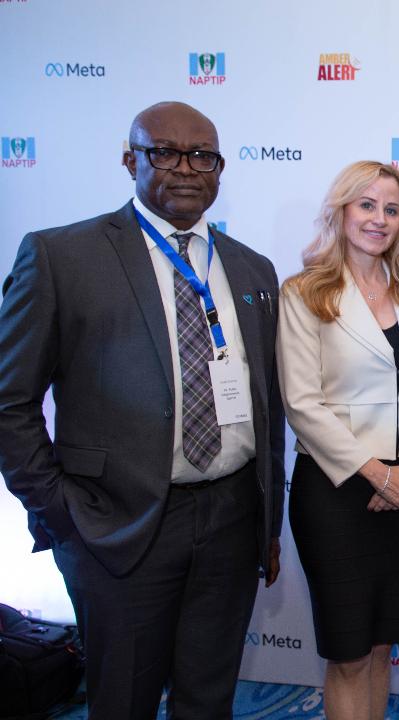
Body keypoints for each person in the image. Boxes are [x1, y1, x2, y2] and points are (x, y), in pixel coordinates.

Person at [0, 101, 285, 719]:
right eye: (164, 152)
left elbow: (268, 402)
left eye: (203, 156)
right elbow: (9, 401)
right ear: (130, 160)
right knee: (123, 701)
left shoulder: (251, 269)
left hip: (232, 520)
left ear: (220, 169)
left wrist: (266, 525)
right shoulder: (61, 257)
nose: (186, 168)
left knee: (208, 702)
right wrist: (61, 512)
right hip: (116, 527)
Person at [277, 161, 399, 720]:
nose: (379, 219)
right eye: (367, 205)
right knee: (349, 653)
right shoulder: (306, 292)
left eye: (391, 209)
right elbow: (303, 404)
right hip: (337, 490)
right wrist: (379, 475)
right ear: (342, 210)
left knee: (381, 647)